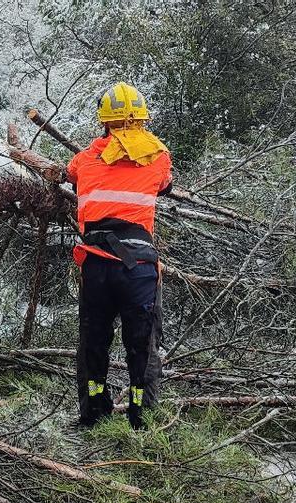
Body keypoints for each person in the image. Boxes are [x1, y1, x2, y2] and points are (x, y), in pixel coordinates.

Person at [66, 82, 172, 430]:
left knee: (93, 343)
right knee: (141, 346)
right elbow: (164, 184)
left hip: (96, 263)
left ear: (104, 123)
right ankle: (142, 415)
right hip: (138, 267)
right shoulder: (158, 155)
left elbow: (71, 175)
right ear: (142, 120)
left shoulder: (85, 158)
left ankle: (94, 412)